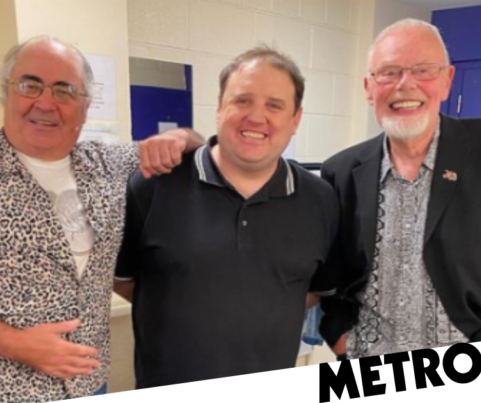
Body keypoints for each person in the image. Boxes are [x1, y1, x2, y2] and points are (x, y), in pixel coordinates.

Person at [0, 36, 203, 403]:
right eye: (30, 85)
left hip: (86, 383)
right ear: (8, 93)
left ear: (85, 107)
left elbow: (194, 142)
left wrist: (177, 135)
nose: (46, 102)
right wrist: (14, 343)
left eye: (64, 90)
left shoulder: (106, 165)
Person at [319, 18, 481, 359]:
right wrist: (339, 335)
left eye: (424, 70)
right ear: (369, 88)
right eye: (389, 72)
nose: (405, 84)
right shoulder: (341, 170)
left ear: (447, 81)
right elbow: (330, 272)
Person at [113, 46, 340, 388]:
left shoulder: (321, 200)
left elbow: (311, 291)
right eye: (242, 100)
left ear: (295, 120)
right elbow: (124, 281)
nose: (256, 117)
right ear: (219, 107)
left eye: (274, 105)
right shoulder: (152, 186)